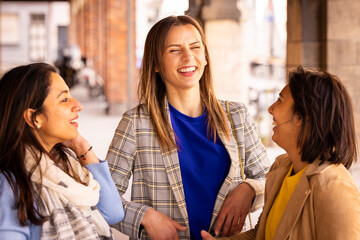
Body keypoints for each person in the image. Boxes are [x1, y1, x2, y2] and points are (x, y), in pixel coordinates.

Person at [106, 15, 270, 240]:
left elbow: (269, 178)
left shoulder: (237, 116)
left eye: (195, 47)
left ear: (205, 57)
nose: (188, 56)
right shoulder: (136, 123)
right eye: (174, 50)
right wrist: (145, 217)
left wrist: (249, 189)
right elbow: (104, 199)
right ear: (155, 64)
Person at [201, 66, 360, 240]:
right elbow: (261, 234)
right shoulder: (282, 168)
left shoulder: (335, 188)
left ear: (301, 117)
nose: (271, 109)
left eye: (280, 100)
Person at [0, 63, 124, 239]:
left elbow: (113, 213)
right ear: (34, 117)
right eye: (64, 99)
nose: (78, 105)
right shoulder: (11, 186)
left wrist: (80, 145)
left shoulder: (63, 166)